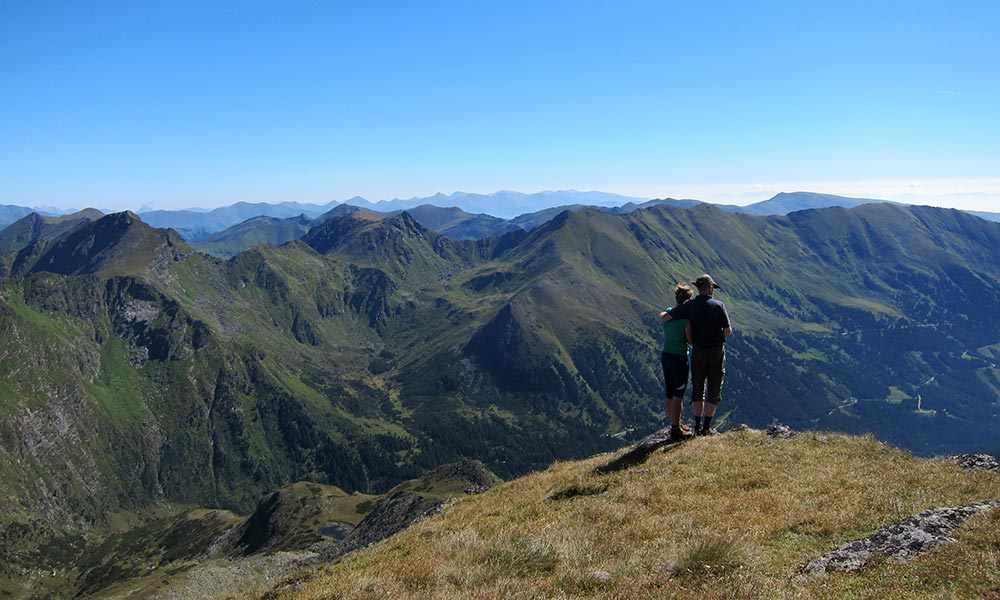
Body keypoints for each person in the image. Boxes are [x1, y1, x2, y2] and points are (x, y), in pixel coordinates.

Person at [660, 273, 732, 435]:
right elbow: (727, 331)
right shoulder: (719, 305)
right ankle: (706, 428)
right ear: (710, 288)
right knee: (714, 387)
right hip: (716, 351)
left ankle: (697, 426)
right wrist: (715, 337)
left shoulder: (690, 306)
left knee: (698, 387)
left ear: (698, 288)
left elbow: (667, 317)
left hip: (698, 351)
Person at [661, 284, 694, 441]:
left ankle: (676, 423)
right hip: (679, 358)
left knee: (669, 392)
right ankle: (676, 428)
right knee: (678, 395)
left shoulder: (668, 313)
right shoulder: (685, 321)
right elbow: (690, 341)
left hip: (666, 355)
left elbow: (664, 315)